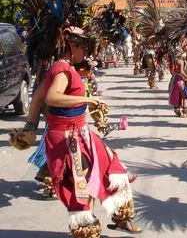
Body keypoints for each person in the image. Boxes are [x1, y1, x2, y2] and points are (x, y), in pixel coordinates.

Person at [10, 27, 141, 236]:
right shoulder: (62, 70)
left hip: (79, 133)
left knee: (111, 168)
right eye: (83, 48)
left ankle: (121, 215)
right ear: (72, 46)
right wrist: (87, 99)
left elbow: (36, 98)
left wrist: (30, 128)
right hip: (67, 139)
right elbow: (52, 97)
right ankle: (87, 228)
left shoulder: (60, 68)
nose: (85, 54)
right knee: (81, 184)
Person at [168, 46, 187, 117]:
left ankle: (177, 111)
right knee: (184, 96)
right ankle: (185, 111)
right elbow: (181, 71)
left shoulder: (174, 61)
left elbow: (172, 71)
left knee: (176, 96)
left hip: (174, 80)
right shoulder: (181, 61)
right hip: (180, 80)